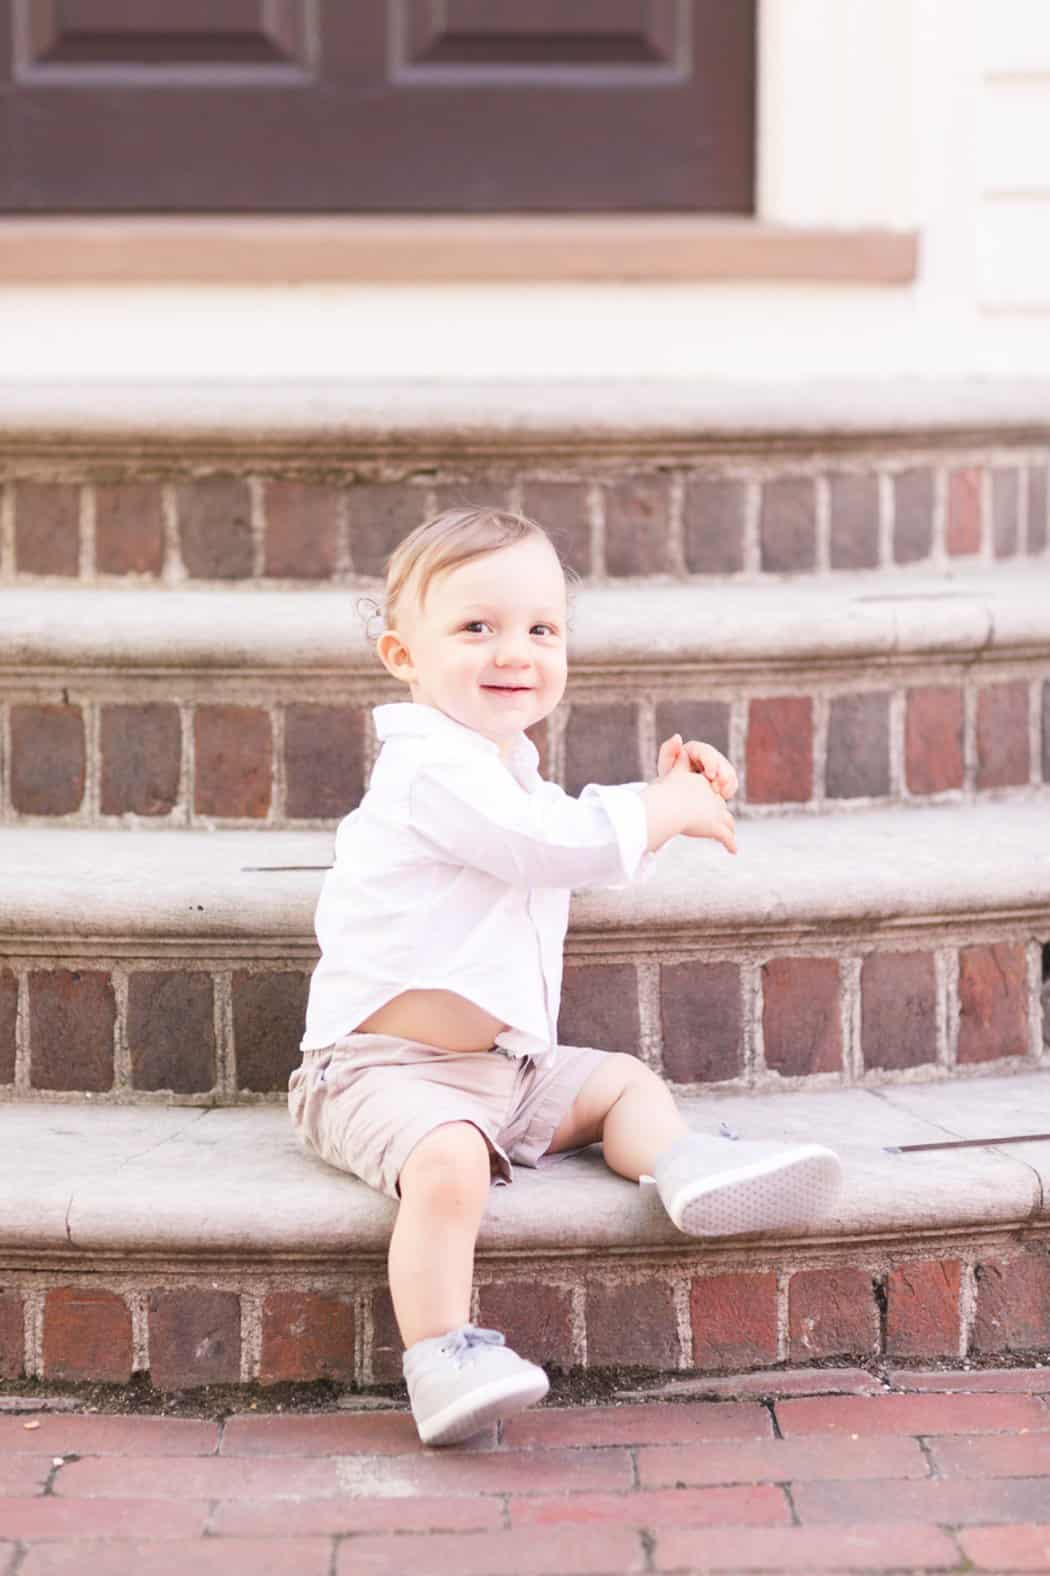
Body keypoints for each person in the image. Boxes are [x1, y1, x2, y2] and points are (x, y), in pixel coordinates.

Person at [289, 507, 842, 1446]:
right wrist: (656, 808)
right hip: (379, 1072)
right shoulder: (429, 772)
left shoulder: (505, 770)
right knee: (451, 1162)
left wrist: (661, 805)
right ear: (401, 655)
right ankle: (442, 1355)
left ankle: (685, 1163)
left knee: (622, 1081)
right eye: (477, 627)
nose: (516, 651)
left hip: (508, 1068)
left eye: (542, 629)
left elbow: (566, 844)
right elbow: (551, 846)